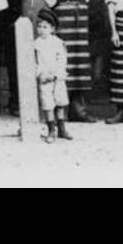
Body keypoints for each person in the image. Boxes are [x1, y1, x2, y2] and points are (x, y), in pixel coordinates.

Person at [32, 0, 102, 122]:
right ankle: (58, 109)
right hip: (61, 10)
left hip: (80, 10)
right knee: (60, 57)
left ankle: (78, 110)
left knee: (79, 60)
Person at [33, 7, 71, 143]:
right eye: (39, 26)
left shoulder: (58, 43)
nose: (42, 29)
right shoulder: (36, 44)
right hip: (45, 79)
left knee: (60, 103)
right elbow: (35, 63)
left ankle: (62, 128)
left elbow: (62, 60)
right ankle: (51, 130)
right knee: (48, 105)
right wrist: (40, 74)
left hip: (57, 78)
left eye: (45, 27)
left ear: (52, 29)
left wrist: (56, 75)